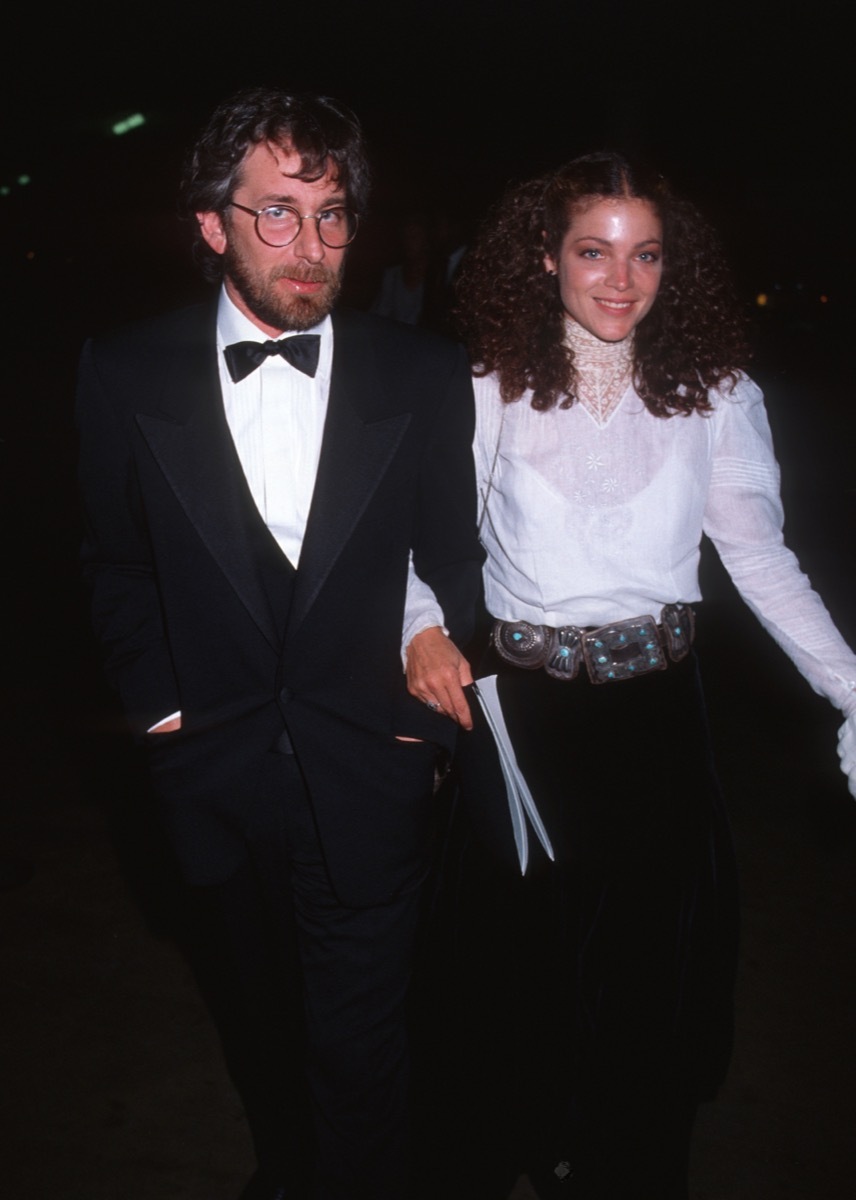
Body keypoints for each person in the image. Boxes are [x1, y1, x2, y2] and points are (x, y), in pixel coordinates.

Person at [425, 152, 856, 1199]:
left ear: (673, 267)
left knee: (648, 989)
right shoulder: (485, 386)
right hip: (524, 715)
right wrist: (418, 629)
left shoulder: (713, 391)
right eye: (592, 251)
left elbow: (756, 556)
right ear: (545, 257)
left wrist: (851, 687)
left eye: (645, 254)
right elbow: (416, 543)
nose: (620, 280)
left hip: (659, 718)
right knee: (518, 981)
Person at [76, 86, 481, 1200]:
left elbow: (457, 563)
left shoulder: (421, 373)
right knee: (258, 1030)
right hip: (212, 776)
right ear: (211, 225)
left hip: (372, 769)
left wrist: (423, 716)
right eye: (277, 214)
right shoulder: (123, 370)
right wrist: (161, 712)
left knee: (363, 1049)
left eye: (333, 213)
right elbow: (115, 564)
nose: (312, 246)